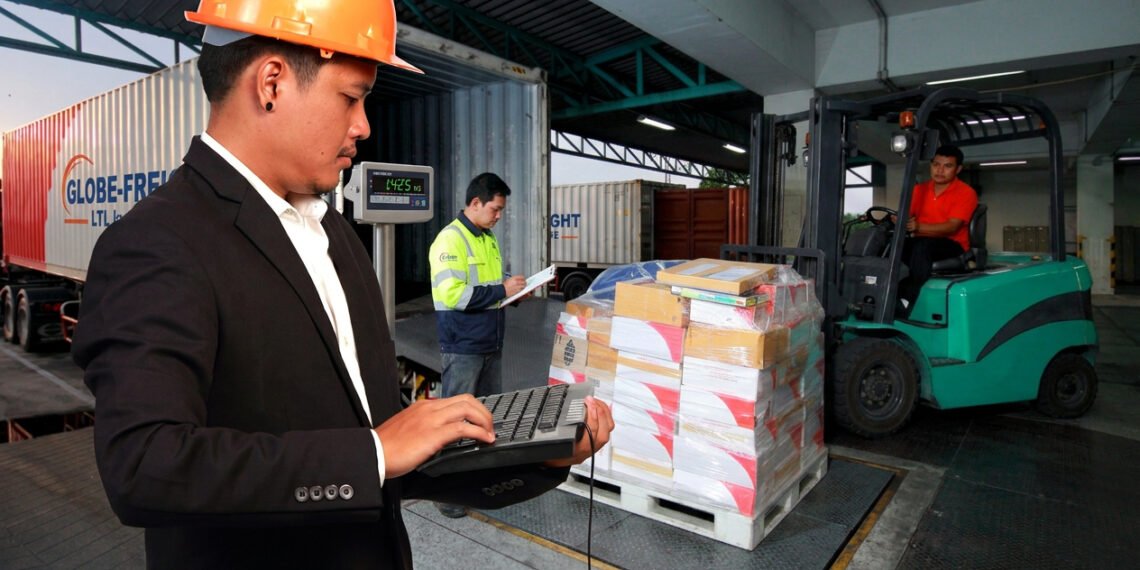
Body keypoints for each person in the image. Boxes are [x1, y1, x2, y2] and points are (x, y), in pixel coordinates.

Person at [71, 2, 613, 568]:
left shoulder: (332, 232)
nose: (364, 125)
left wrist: (540, 454)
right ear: (272, 83)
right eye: (351, 98)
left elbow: (394, 452)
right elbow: (144, 465)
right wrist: (375, 452)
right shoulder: (160, 241)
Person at [427, 172, 525, 518]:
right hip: (463, 345)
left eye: (501, 210)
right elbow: (453, 294)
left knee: (486, 418)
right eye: (495, 209)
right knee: (455, 423)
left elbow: (486, 286)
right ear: (475, 203)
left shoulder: (487, 238)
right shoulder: (448, 241)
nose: (499, 216)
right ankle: (448, 495)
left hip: (489, 342)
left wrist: (510, 292)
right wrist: (501, 291)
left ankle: (479, 483)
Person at [898, 144, 979, 313]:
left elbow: (952, 227)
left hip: (952, 244)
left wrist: (918, 226)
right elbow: (905, 215)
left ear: (958, 169)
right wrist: (894, 220)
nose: (940, 170)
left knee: (923, 247)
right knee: (890, 245)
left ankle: (909, 299)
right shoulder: (919, 190)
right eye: (936, 165)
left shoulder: (965, 193)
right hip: (921, 240)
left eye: (947, 166)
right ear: (931, 166)